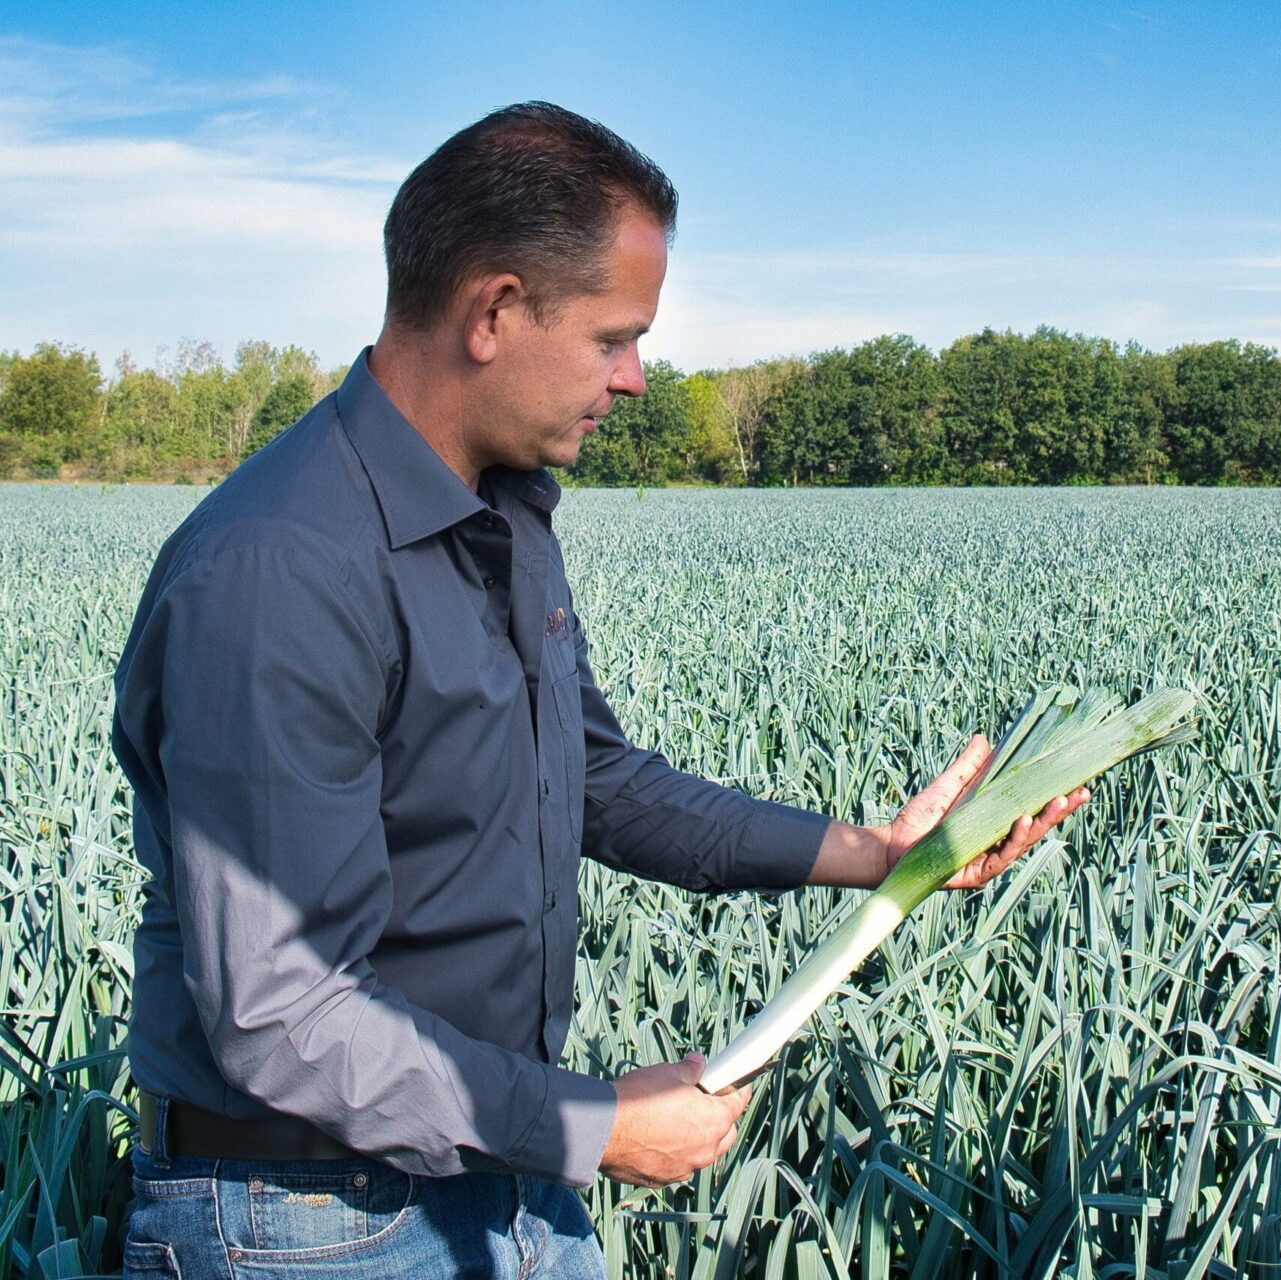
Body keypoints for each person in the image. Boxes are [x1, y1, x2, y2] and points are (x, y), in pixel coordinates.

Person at [110, 101, 1087, 1279]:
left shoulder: (503, 510)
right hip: (309, 1217)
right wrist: (596, 1126)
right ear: (496, 311)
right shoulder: (279, 570)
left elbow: (594, 781)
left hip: (506, 1170)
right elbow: (282, 1015)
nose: (634, 379)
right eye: (615, 336)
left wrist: (878, 854)